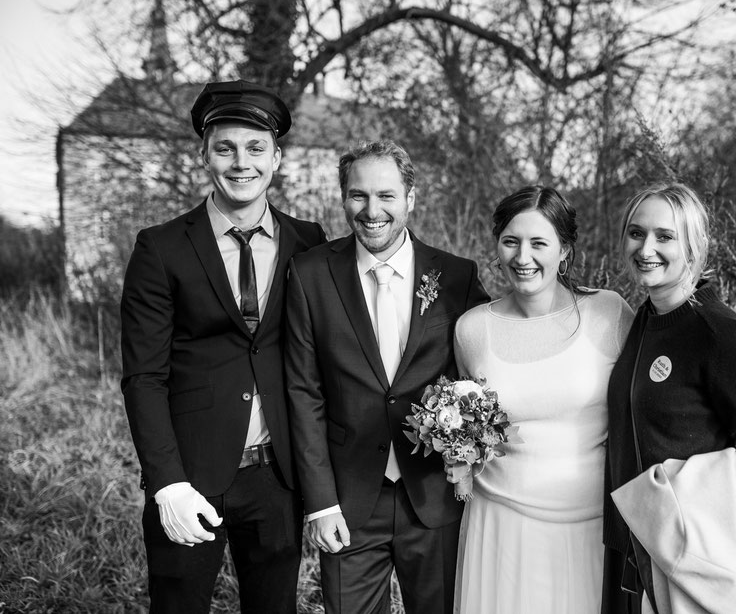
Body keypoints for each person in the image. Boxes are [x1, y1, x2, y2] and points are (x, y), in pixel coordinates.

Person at [120, 79, 327, 614]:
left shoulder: (309, 242)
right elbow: (144, 376)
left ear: (277, 157)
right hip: (191, 477)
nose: (242, 163)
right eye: (226, 147)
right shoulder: (160, 247)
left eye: (256, 148)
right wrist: (166, 484)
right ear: (203, 155)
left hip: (277, 480)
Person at [284, 139, 489, 614]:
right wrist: (320, 502)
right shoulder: (311, 274)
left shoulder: (456, 276)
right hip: (348, 502)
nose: (371, 210)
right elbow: (303, 392)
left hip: (434, 496)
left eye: (386, 196)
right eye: (358, 195)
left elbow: (483, 371)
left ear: (410, 199)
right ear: (343, 197)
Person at [602, 182, 736, 613]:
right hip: (634, 554)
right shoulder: (644, 321)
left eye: (664, 236)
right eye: (636, 233)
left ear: (694, 245)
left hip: (692, 561)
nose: (646, 247)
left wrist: (680, 502)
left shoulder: (719, 334)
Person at [452, 185, 635, 613]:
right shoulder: (472, 329)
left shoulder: (609, 313)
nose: (522, 257)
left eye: (539, 243)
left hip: (589, 526)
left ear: (564, 250)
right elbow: (470, 428)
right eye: (510, 241)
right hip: (498, 525)